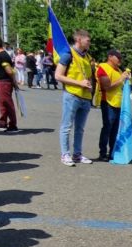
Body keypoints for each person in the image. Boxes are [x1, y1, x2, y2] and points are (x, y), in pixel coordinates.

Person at [54, 29, 95, 166]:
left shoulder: (87, 57)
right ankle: (65, 154)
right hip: (72, 95)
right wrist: (80, 83)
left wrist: (90, 87)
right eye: (88, 40)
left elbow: (88, 76)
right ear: (79, 40)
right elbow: (58, 76)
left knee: (80, 128)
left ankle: (77, 154)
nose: (89, 43)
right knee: (66, 126)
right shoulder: (67, 54)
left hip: (86, 97)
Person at [94, 49, 129, 162]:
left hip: (119, 104)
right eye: (117, 57)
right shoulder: (103, 67)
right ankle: (102, 153)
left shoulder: (119, 70)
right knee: (107, 128)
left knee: (115, 130)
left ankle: (112, 152)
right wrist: (121, 79)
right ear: (110, 57)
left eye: (120, 57)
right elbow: (107, 87)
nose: (120, 60)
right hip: (108, 102)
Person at [0, 37, 17, 131]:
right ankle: (2, 122)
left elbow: (9, 70)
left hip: (4, 82)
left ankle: (12, 124)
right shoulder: (2, 54)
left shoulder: (2, 55)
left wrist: (14, 81)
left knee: (7, 103)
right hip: (2, 81)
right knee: (3, 103)